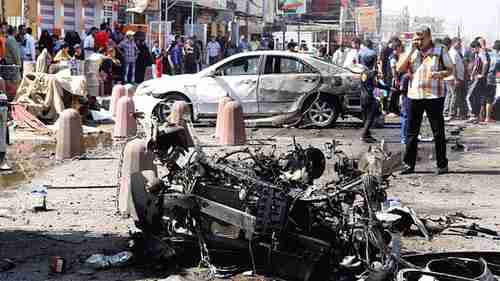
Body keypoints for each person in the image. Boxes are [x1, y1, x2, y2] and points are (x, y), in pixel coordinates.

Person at [397, 25, 453, 175]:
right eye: (417, 38)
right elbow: (399, 68)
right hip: (415, 95)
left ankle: (442, 164)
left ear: (429, 37)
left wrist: (440, 74)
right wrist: (410, 51)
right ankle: (409, 164)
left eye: (422, 38)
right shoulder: (412, 51)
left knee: (438, 131)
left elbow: (450, 69)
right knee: (411, 131)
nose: (419, 41)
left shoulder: (440, 50)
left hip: (434, 96)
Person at [466, 40, 490, 123]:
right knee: (474, 97)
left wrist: (482, 74)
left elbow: (485, 63)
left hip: (478, 78)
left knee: (469, 96)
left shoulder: (481, 53)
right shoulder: (478, 54)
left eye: (473, 49)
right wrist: (472, 74)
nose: (472, 51)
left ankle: (473, 115)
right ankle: (475, 115)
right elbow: (476, 65)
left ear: (476, 47)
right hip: (476, 78)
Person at [444, 37, 467, 121]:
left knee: (450, 95)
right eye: (458, 43)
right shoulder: (453, 53)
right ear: (454, 43)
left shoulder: (454, 52)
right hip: (453, 78)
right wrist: (456, 78)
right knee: (454, 95)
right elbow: (453, 66)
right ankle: (450, 113)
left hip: (451, 77)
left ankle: (447, 112)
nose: (460, 45)